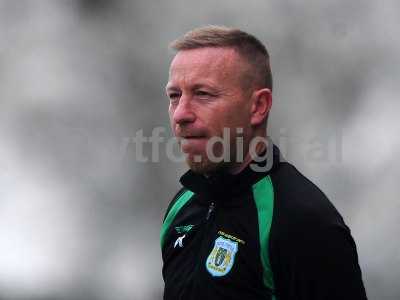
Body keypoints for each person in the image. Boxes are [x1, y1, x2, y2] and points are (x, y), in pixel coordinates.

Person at [160, 25, 367, 300]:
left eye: (203, 94)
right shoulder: (182, 206)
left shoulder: (303, 221)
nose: (181, 114)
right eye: (175, 95)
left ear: (258, 106)